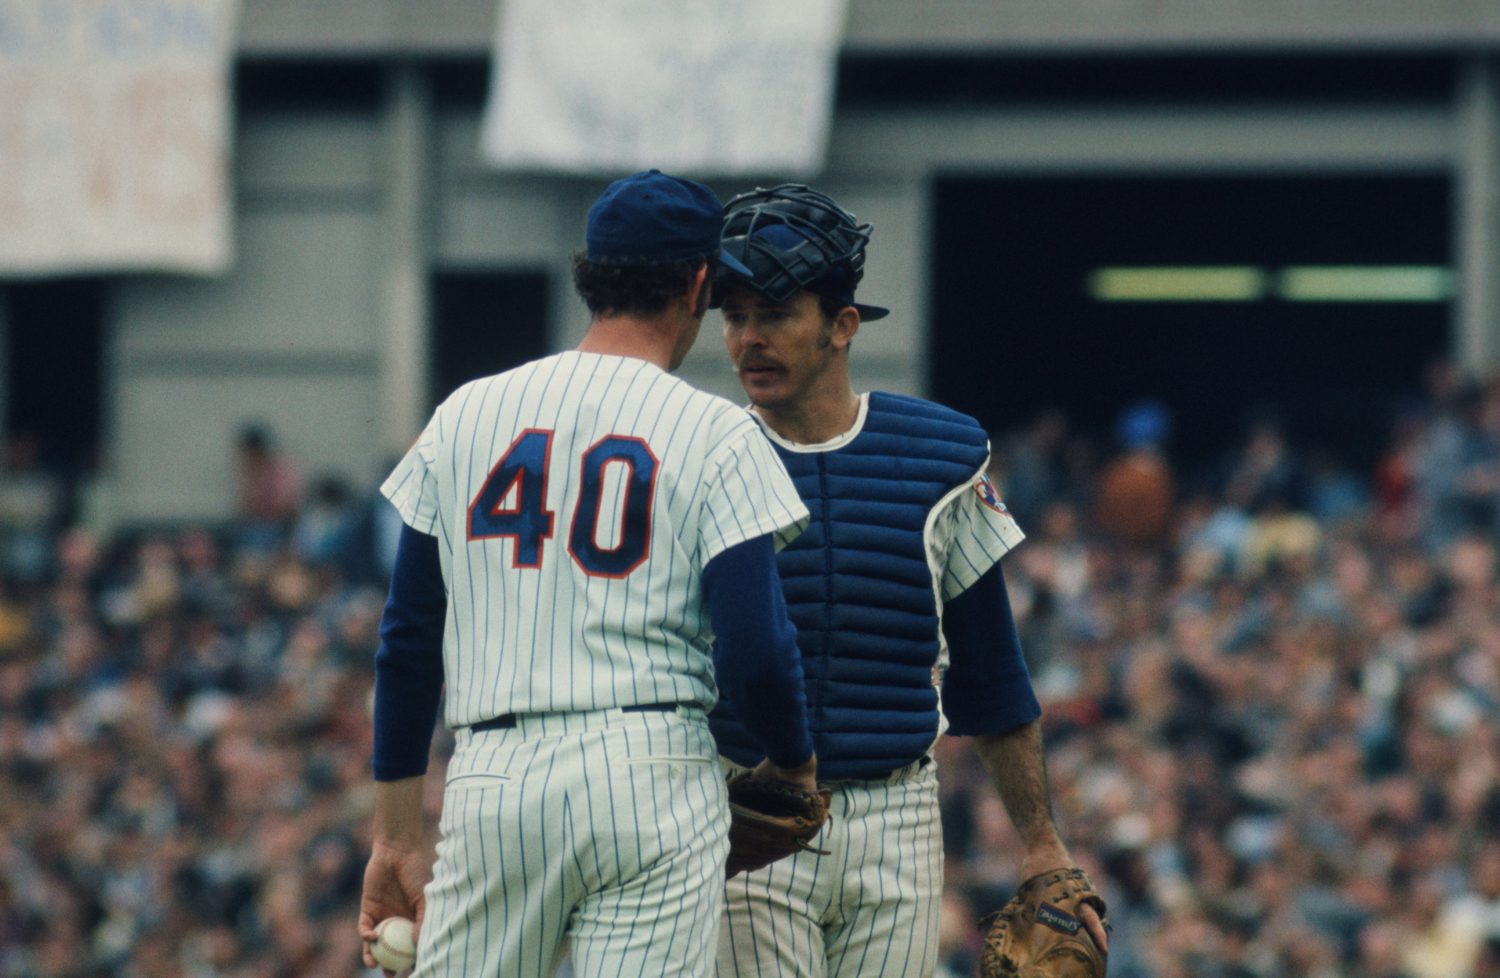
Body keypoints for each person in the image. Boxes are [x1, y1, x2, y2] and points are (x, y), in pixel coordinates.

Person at [356, 170, 819, 978]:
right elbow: (756, 647)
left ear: (590, 276)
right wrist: (793, 761)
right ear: (698, 282)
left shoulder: (466, 412)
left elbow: (407, 639)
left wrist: (396, 835)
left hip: (496, 773)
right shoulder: (717, 431)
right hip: (652, 767)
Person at [706, 184, 1107, 977]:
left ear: (842, 326)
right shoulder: (698, 453)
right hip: (745, 820)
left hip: (898, 819)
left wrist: (1040, 842)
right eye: (735, 316)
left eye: (777, 313)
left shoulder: (937, 455)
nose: (749, 338)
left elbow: (991, 672)